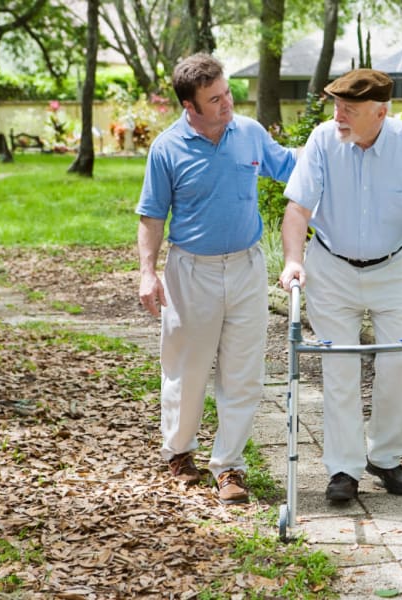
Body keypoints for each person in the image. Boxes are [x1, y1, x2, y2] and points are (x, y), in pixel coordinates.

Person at [279, 68, 402, 503]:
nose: (338, 116)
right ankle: (344, 468)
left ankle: (386, 457)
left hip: (394, 266)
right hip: (332, 267)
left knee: (400, 364)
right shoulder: (322, 141)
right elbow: (298, 209)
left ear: (380, 112)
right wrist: (293, 261)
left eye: (349, 110)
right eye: (336, 106)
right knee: (340, 367)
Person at [136, 53, 296, 505]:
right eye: (215, 99)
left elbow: (292, 169)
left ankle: (229, 467)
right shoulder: (167, 149)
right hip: (192, 272)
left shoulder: (249, 134)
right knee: (188, 371)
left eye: (227, 93)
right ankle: (179, 453)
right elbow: (152, 216)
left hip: (246, 267)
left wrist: (337, 148)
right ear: (190, 106)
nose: (227, 104)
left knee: (244, 373)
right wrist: (148, 274)